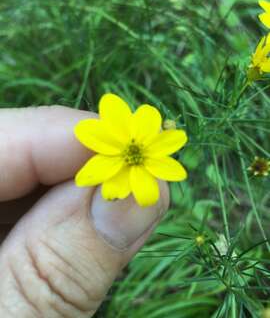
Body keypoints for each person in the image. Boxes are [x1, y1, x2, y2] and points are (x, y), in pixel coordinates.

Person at [0, 105, 169, 317]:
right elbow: (89, 131)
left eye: (135, 150)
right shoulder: (115, 158)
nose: (133, 151)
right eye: (132, 151)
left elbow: (151, 119)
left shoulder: (151, 145)